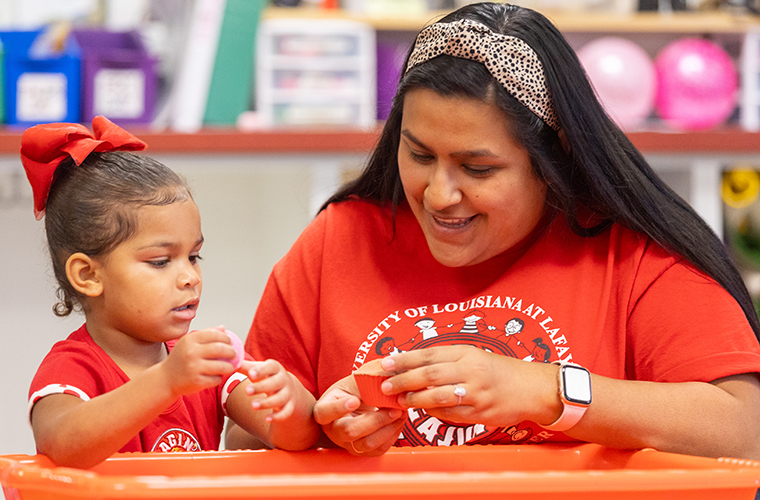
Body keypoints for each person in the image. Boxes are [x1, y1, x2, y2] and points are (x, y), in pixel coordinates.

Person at [240, 2, 760, 460]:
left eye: (478, 169)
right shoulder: (340, 238)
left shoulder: (632, 253)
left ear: (552, 157)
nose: (439, 194)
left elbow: (745, 429)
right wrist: (320, 429)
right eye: (419, 154)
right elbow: (247, 439)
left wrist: (545, 391)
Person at [23, 116, 319, 468]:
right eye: (161, 261)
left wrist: (292, 406)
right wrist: (166, 381)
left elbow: (290, 438)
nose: (190, 277)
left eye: (194, 257)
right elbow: (62, 444)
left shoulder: (205, 362)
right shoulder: (73, 368)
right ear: (88, 275)